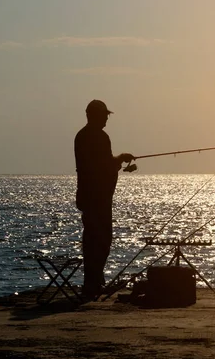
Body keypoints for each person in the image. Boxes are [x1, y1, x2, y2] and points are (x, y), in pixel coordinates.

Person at [74, 99, 134, 299]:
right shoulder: (100, 137)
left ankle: (92, 282)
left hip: (86, 196)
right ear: (95, 115)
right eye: (104, 115)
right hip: (98, 198)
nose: (107, 119)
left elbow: (99, 165)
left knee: (91, 240)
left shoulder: (80, 136)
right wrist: (121, 158)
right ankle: (93, 284)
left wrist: (117, 161)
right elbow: (106, 166)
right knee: (102, 240)